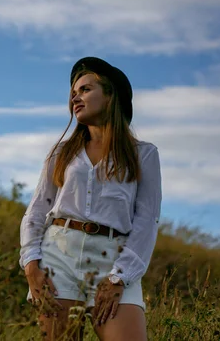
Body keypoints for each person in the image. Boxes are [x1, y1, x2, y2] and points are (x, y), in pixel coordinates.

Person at [18, 56, 162, 340]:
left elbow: (147, 219)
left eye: (85, 89)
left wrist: (119, 277)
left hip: (114, 259)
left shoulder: (143, 154)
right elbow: (37, 211)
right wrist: (31, 265)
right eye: (73, 93)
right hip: (58, 255)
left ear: (111, 96)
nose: (76, 98)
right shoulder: (61, 153)